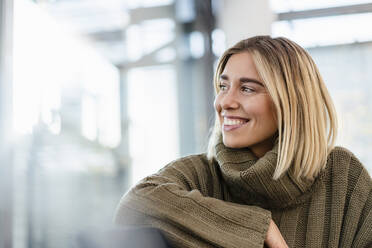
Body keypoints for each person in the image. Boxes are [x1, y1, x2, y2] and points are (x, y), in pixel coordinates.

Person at [114, 36, 372, 248]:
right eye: (223, 86)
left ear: (291, 102)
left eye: (247, 88)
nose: (224, 102)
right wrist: (260, 229)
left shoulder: (342, 176)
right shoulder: (202, 174)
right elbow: (135, 205)